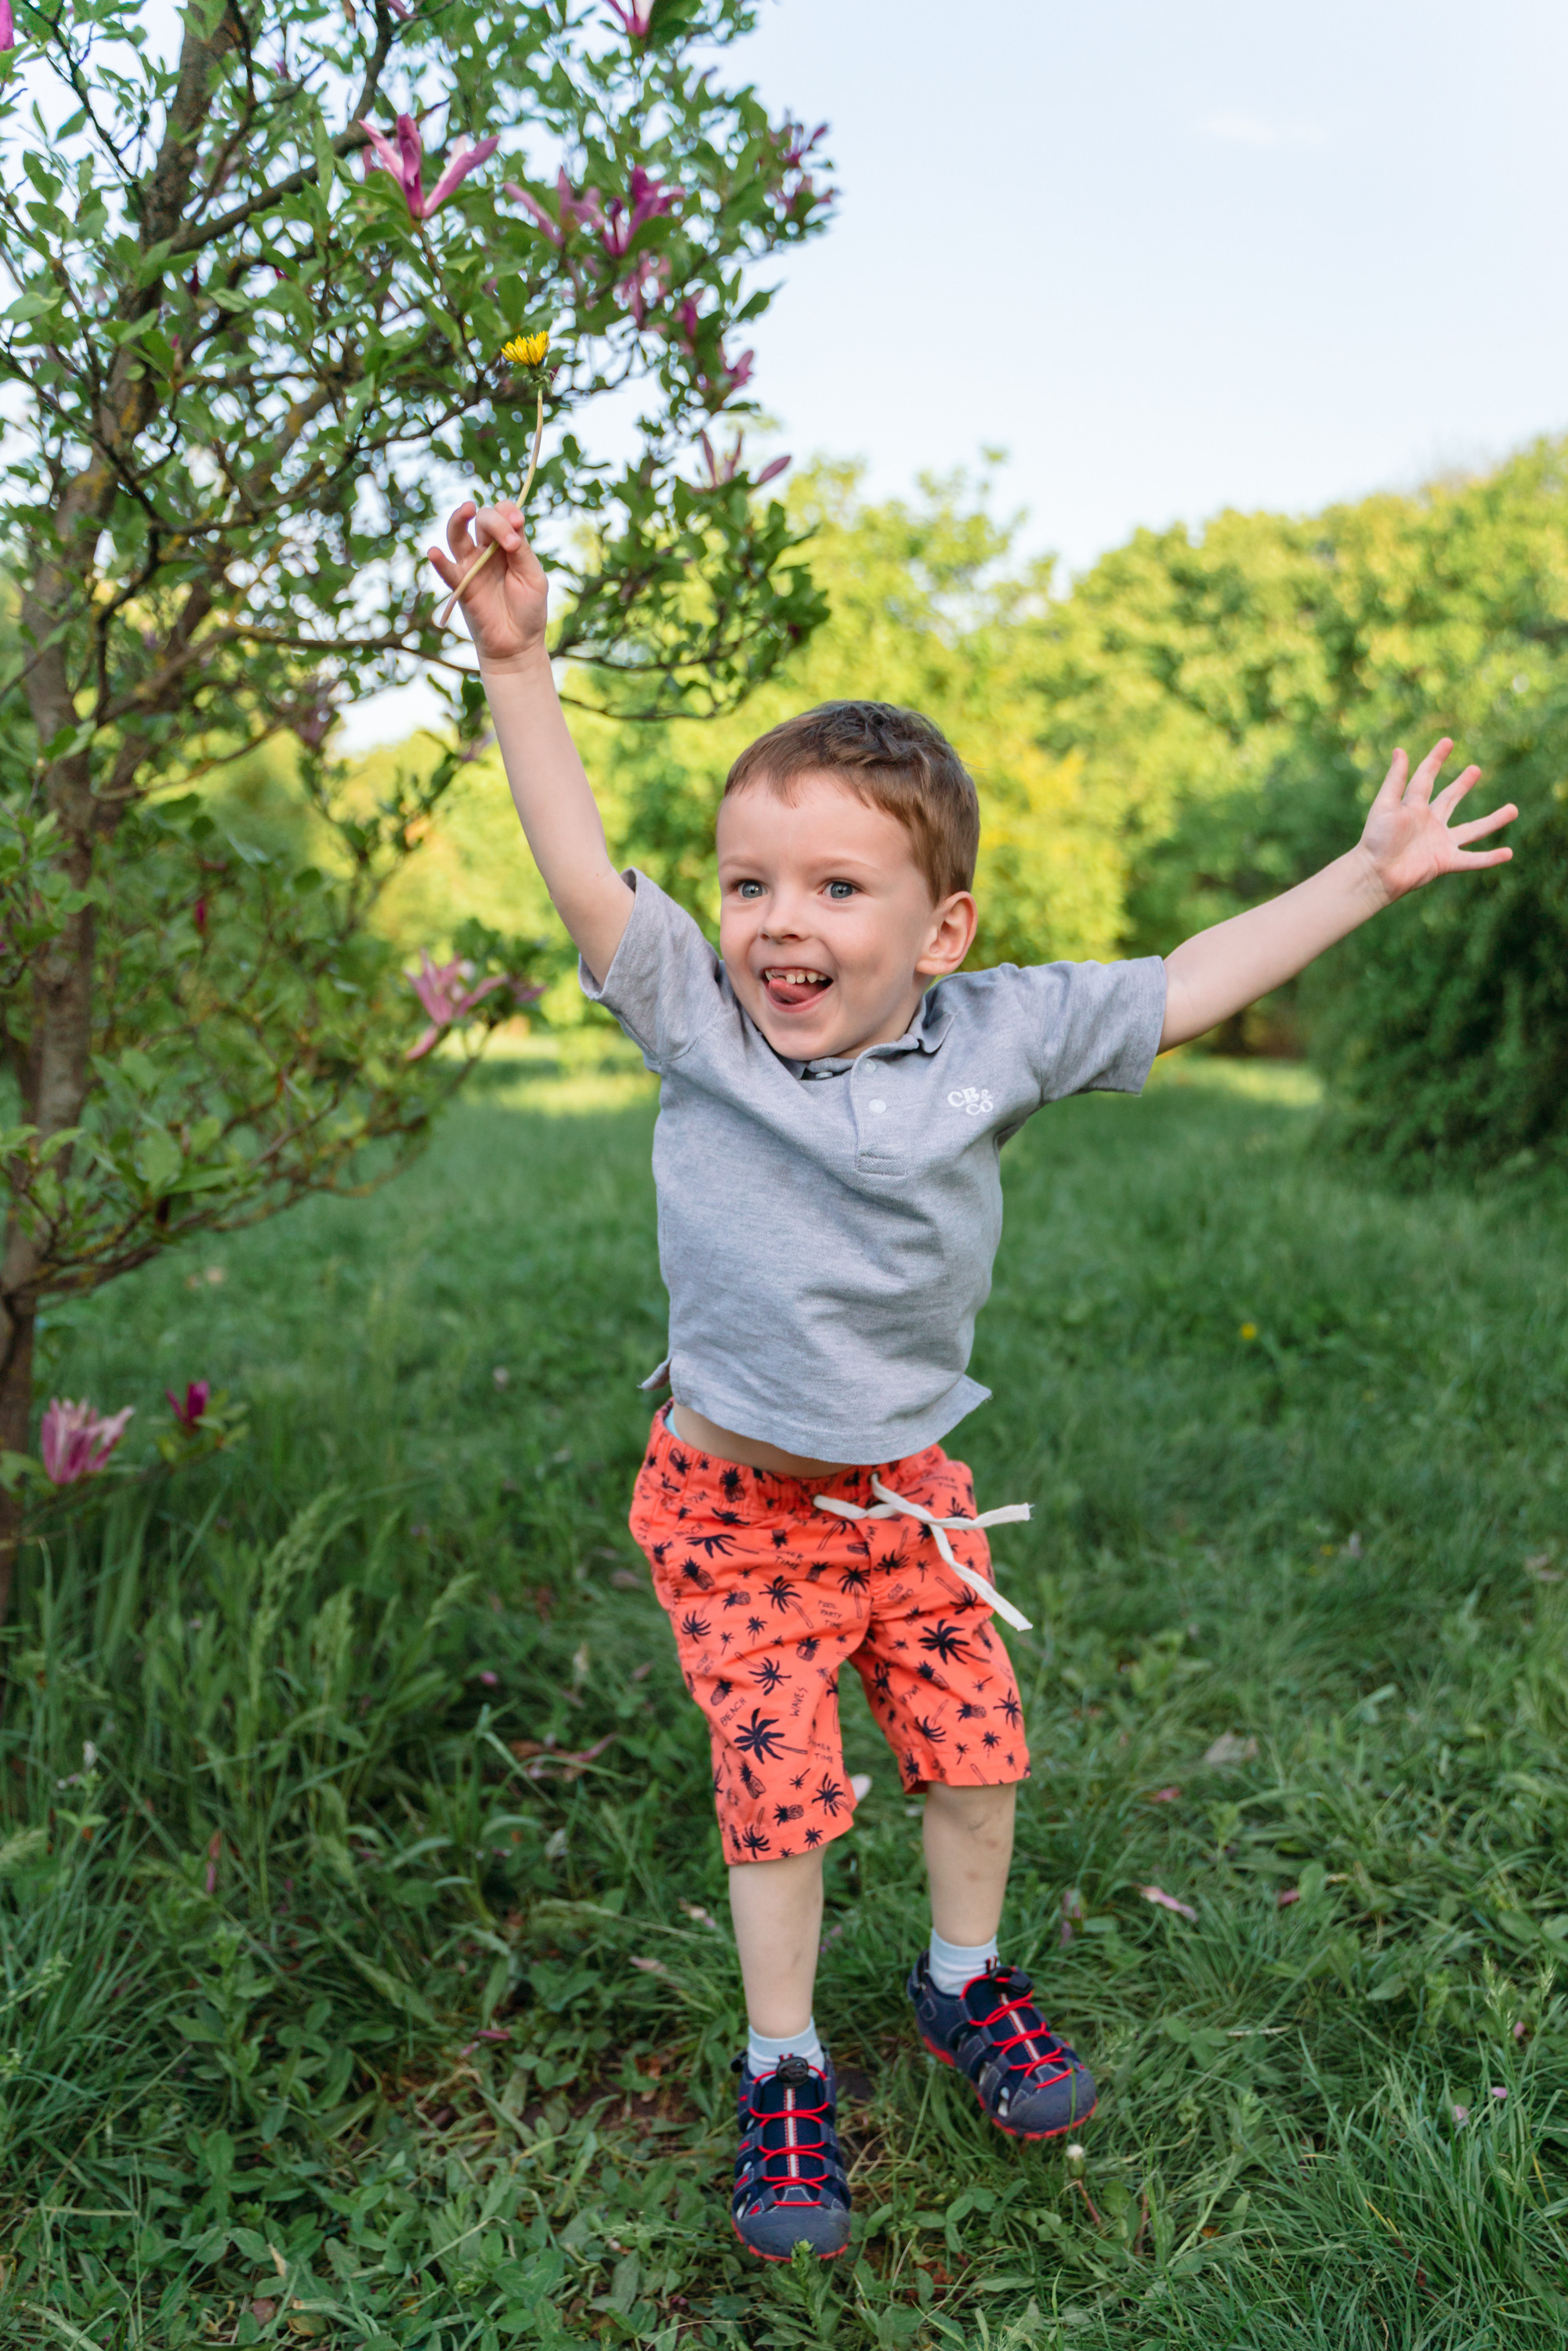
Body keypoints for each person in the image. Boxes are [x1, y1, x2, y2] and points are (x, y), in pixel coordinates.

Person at [429, 494, 1516, 2263]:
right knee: (775, 1788)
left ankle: (958, 1982)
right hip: (729, 1503)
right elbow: (572, 860)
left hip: (910, 1495)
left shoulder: (995, 1031)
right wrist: (519, 664)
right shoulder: (696, 1018)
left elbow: (1176, 987)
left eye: (836, 889)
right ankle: (782, 2066)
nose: (780, 923)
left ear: (938, 929)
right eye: (750, 884)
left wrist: (1364, 876)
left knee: (973, 1753)